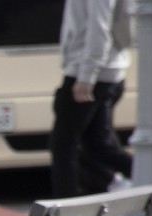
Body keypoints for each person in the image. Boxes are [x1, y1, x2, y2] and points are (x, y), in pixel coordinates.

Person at [49, 0, 135, 198]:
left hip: (90, 74)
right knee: (98, 144)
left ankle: (66, 206)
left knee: (63, 144)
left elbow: (99, 29)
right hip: (105, 71)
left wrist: (87, 76)